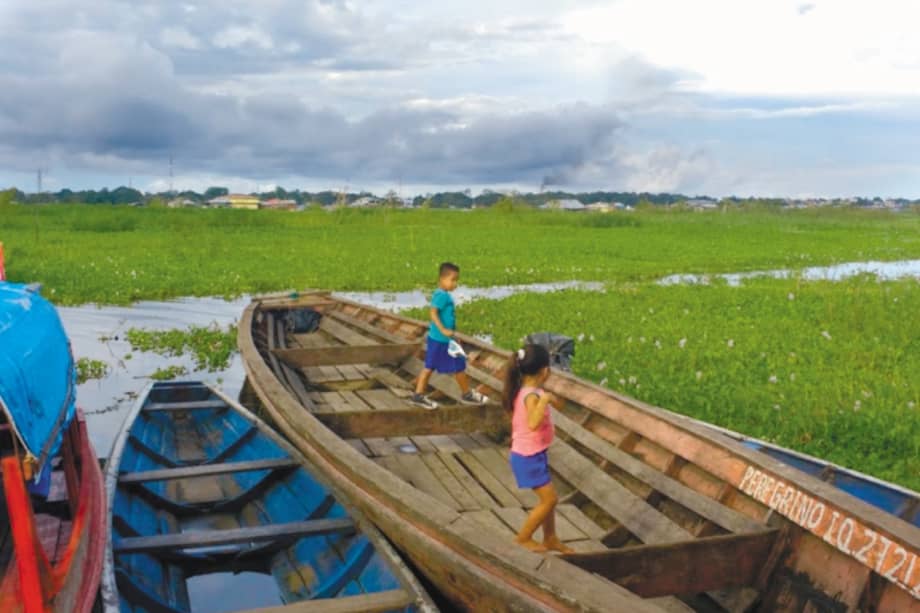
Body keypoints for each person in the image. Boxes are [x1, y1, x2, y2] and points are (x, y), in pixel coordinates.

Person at [503, 344, 572, 553]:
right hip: (527, 457)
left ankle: (550, 538)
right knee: (550, 500)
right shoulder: (532, 396)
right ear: (545, 371)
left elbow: (556, 406)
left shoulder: (526, 390)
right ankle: (523, 538)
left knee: (547, 500)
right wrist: (544, 400)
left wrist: (550, 399)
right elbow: (533, 422)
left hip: (533, 454)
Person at [410, 262, 488, 409]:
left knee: (449, 365)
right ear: (442, 279)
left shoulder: (442, 294)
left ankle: (419, 395)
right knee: (436, 367)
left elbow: (444, 317)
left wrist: (452, 335)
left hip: (444, 339)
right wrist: (444, 330)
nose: (455, 284)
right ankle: (464, 394)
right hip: (441, 340)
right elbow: (433, 313)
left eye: (456, 280)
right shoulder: (442, 296)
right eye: (452, 280)